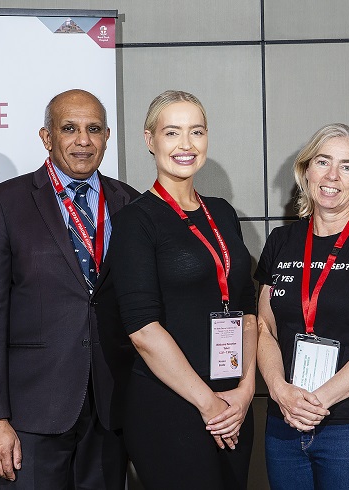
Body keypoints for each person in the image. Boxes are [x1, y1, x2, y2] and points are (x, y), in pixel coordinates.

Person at [0, 89, 139, 489]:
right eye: (69, 129)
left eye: (94, 129)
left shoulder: (129, 202)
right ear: (46, 137)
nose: (83, 140)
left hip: (111, 411)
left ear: (108, 135)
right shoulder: (5, 203)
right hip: (31, 416)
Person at [107, 90, 257, 489]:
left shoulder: (222, 212)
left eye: (197, 132)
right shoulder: (134, 221)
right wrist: (209, 405)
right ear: (149, 140)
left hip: (233, 402)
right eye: (172, 133)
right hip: (171, 406)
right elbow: (142, 330)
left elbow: (245, 306)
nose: (186, 145)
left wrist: (245, 392)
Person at [255, 123, 349, 490]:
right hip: (286, 424)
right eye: (323, 161)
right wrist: (280, 391)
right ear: (306, 170)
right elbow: (263, 328)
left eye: (347, 166)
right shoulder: (282, 240)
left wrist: (317, 402)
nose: (332, 176)